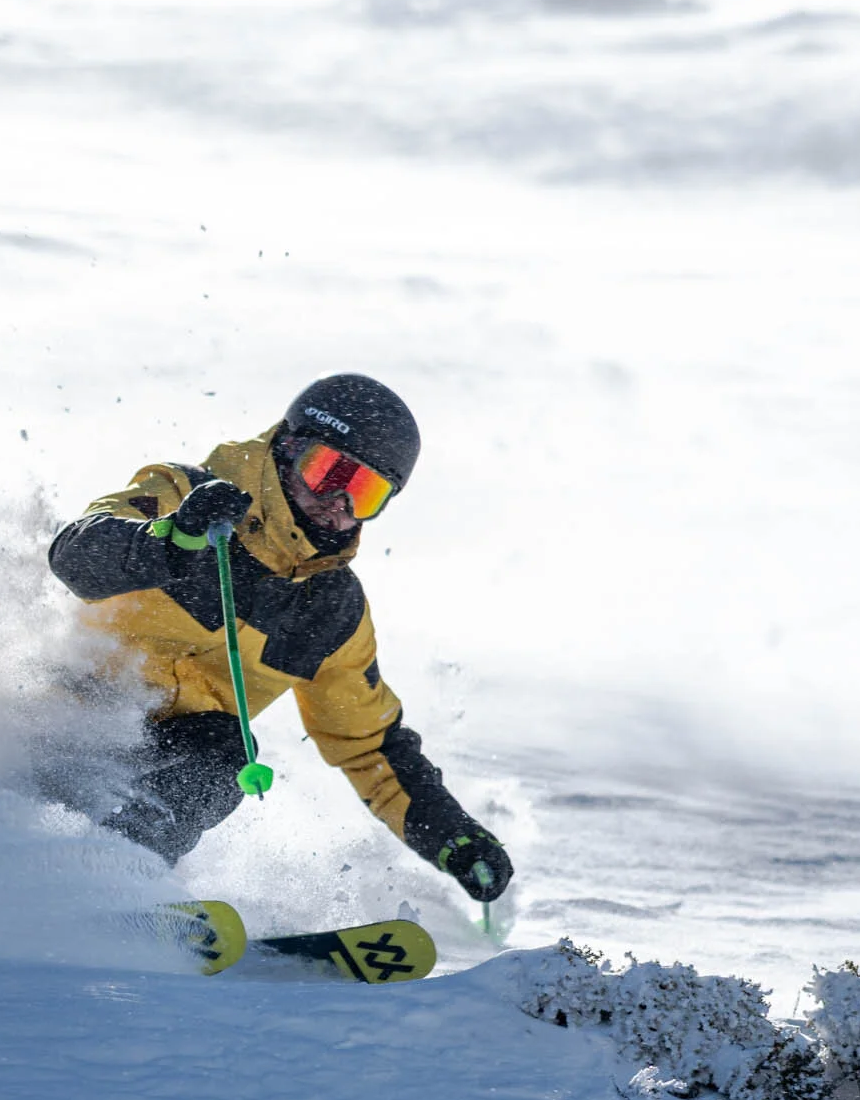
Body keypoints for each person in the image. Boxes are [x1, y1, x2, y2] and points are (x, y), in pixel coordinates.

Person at [46, 374, 512, 905]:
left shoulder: (330, 612)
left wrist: (451, 836)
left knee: (228, 754)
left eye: (364, 491)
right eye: (327, 472)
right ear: (288, 449)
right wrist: (171, 542)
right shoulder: (188, 498)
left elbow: (369, 745)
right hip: (63, 716)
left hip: (163, 754)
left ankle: (113, 882)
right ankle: (84, 877)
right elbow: (74, 556)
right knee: (220, 746)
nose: (338, 503)